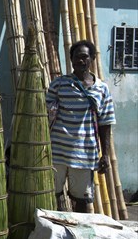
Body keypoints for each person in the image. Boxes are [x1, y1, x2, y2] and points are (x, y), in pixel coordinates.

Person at [46, 40, 116, 213]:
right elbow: (44, 116)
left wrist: (105, 155)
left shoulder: (102, 89)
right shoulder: (59, 84)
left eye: (84, 57)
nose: (80, 61)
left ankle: (78, 237)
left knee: (82, 201)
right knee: (49, 196)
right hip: (56, 152)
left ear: (92, 58)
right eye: (76, 57)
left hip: (84, 154)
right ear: (71, 59)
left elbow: (105, 124)